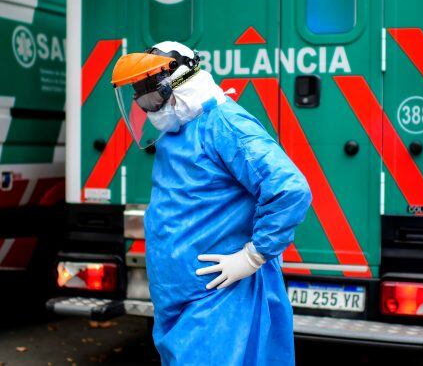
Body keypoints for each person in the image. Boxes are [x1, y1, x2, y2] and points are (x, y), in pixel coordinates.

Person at [110, 41, 312, 366]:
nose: (149, 108)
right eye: (140, 97)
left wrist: (253, 255)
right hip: (182, 300)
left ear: (181, 83)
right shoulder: (179, 132)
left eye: (151, 95)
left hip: (221, 300)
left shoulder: (224, 125)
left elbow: (290, 189)